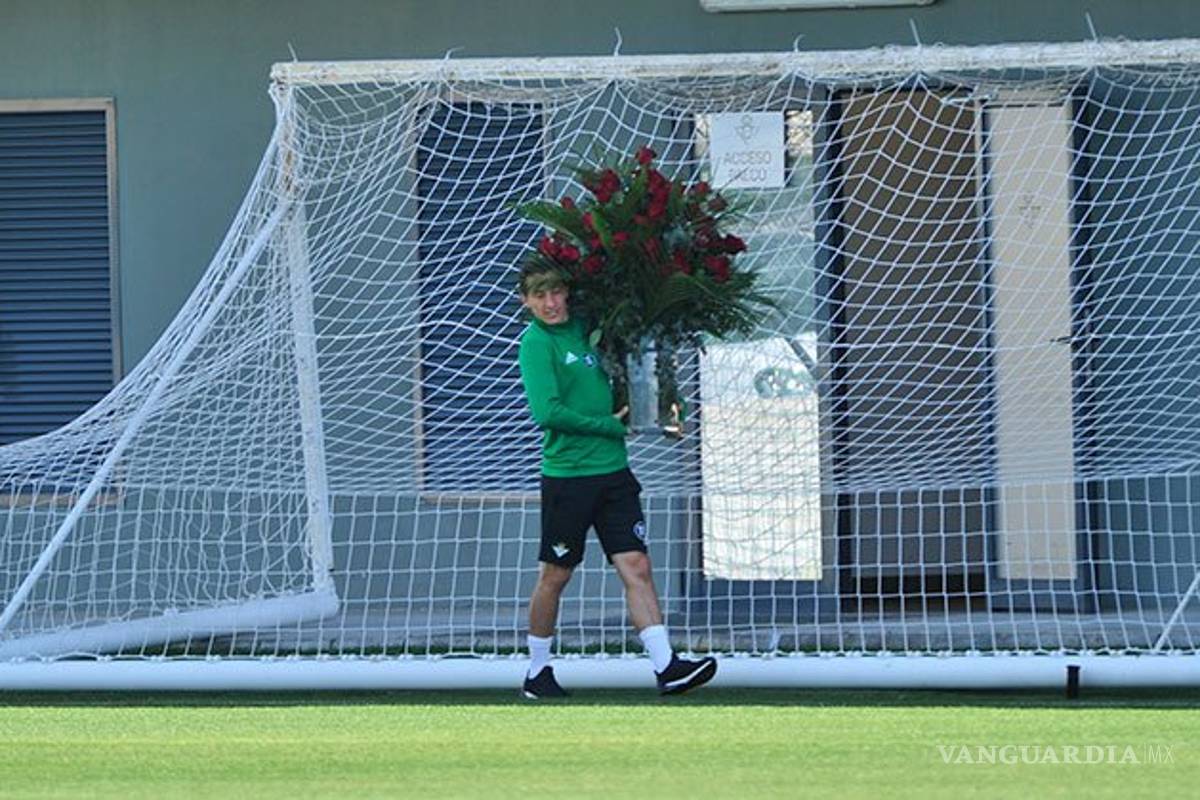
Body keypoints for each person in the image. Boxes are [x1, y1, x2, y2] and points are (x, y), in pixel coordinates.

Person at [515, 260, 717, 699]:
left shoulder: (590, 328)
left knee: (637, 565)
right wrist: (610, 425)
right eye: (539, 295)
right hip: (569, 478)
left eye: (556, 292)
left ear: (567, 292)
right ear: (526, 302)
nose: (550, 303)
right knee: (556, 574)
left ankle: (667, 666)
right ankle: (537, 672)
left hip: (614, 474)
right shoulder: (535, 343)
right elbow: (546, 413)